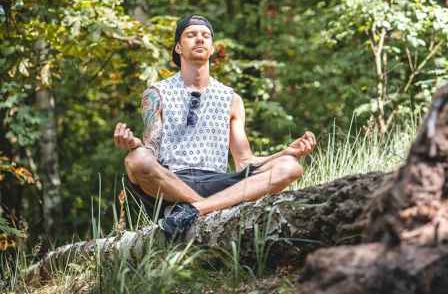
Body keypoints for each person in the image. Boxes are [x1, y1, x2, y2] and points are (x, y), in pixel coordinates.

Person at [112, 14, 316, 238]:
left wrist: (285, 152)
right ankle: (207, 207)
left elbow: (244, 162)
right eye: (191, 35)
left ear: (211, 48)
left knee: (290, 166)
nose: (199, 39)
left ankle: (193, 211)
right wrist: (135, 144)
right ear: (178, 47)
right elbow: (151, 149)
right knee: (136, 160)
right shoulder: (156, 93)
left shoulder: (231, 99)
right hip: (170, 181)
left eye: (205, 35)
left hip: (217, 180)